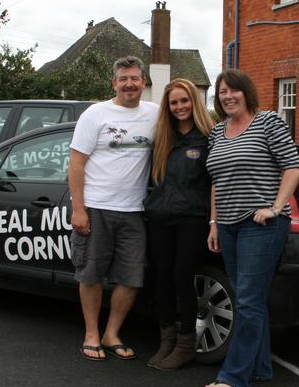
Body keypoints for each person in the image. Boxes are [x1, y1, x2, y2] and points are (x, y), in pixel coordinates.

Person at [203, 69, 299, 387]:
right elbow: (216, 180)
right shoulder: (218, 131)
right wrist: (214, 223)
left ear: (246, 92)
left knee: (246, 300)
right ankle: (260, 368)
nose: (227, 97)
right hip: (228, 225)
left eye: (233, 91)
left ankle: (234, 375)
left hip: (261, 225)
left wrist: (275, 208)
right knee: (251, 300)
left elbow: (292, 166)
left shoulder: (268, 122)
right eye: (222, 93)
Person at [68, 56, 159, 362]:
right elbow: (76, 163)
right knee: (91, 274)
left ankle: (112, 333)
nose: (129, 84)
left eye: (134, 78)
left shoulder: (155, 114)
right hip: (96, 207)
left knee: (131, 278)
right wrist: (78, 208)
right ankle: (91, 333)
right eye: (123, 79)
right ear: (114, 83)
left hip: (135, 210)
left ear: (143, 82)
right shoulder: (96, 114)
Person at [143, 78, 213, 370]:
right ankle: (166, 341)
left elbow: (216, 183)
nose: (180, 106)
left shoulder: (208, 138)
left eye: (184, 100)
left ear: (194, 102)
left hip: (192, 219)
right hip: (160, 217)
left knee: (182, 276)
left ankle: (186, 344)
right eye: (174, 102)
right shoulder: (162, 137)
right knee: (161, 278)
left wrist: (213, 222)